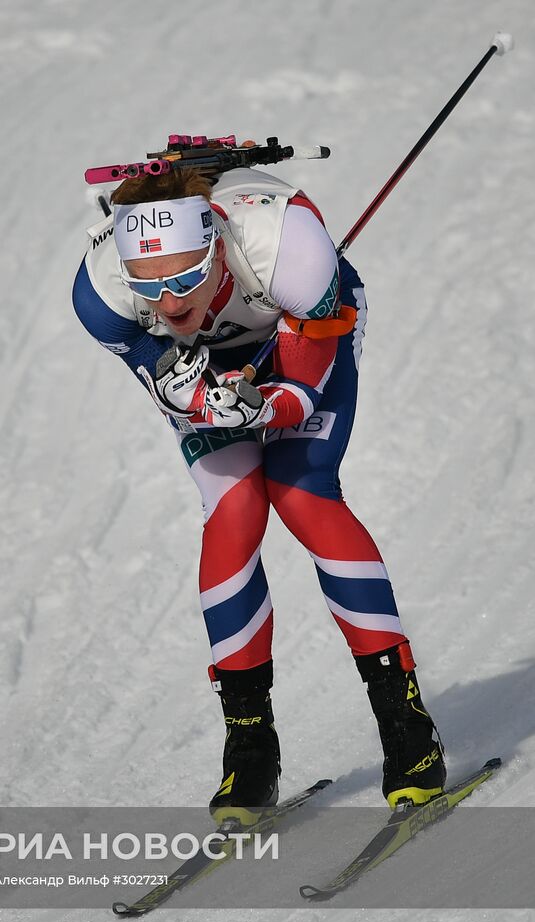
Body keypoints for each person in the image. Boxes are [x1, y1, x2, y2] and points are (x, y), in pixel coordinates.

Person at [72, 158, 446, 823]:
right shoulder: (100, 294)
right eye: (149, 286)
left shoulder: (288, 249)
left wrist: (259, 405)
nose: (169, 303)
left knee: (300, 491)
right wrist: (186, 390)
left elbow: (300, 394)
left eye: (187, 277)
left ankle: (405, 724)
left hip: (300, 328)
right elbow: (158, 367)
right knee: (233, 508)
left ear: (216, 243)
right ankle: (249, 747)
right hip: (212, 363)